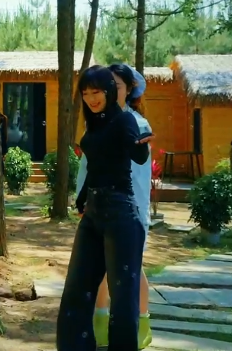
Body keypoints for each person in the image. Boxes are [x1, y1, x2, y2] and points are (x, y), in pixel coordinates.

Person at [56, 65, 153, 351]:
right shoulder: (95, 123)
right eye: (85, 94)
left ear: (110, 91)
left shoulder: (125, 120)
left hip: (121, 213)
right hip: (94, 213)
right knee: (76, 290)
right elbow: (96, 167)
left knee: (122, 300)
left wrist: (142, 146)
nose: (91, 98)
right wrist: (81, 198)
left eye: (96, 92)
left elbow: (136, 154)